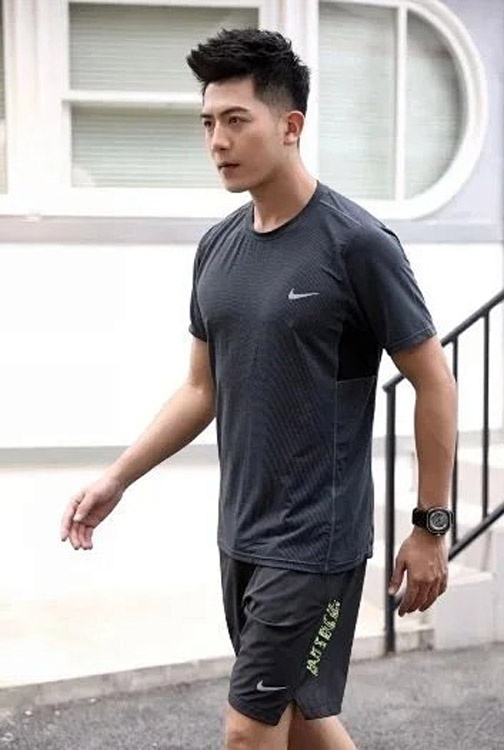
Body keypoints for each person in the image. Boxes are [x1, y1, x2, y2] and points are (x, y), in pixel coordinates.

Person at [60, 28, 457, 750]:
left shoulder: (357, 245)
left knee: (248, 730)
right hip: (241, 530)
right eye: (208, 123)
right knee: (301, 722)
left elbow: (434, 381)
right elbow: (200, 389)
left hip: (315, 542)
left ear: (290, 125)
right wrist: (118, 478)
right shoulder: (218, 247)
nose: (218, 141)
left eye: (236, 120)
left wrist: (430, 526)